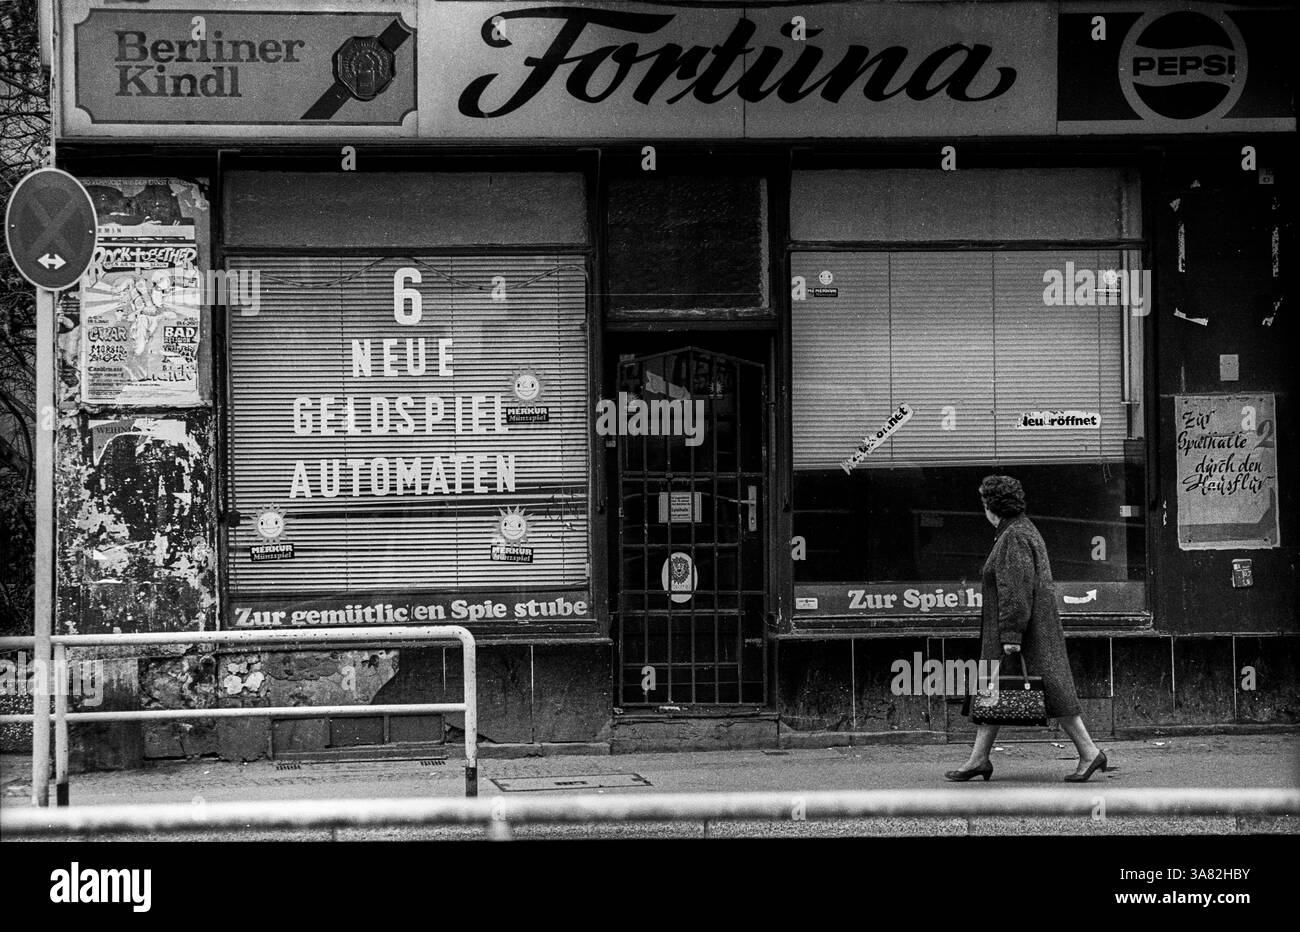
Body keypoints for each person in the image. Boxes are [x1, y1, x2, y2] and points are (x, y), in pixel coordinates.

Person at [945, 475, 1111, 783]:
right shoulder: (1021, 530)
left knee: (1049, 693)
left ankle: (1089, 753)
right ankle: (979, 758)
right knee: (993, 690)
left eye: (984, 503)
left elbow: (1016, 589)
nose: (983, 509)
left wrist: (1011, 636)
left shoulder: (1013, 537)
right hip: (1032, 630)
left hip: (1026, 634)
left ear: (993, 506)